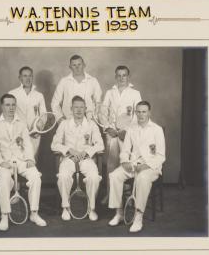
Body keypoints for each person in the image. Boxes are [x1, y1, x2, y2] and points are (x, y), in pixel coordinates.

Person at [0, 93, 47, 231]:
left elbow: (27, 144)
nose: (11, 108)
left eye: (13, 105)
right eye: (7, 105)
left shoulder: (21, 124)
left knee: (36, 177)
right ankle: (5, 215)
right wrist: (1, 162)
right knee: (4, 179)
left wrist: (30, 159)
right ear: (2, 106)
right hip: (4, 162)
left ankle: (34, 213)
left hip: (20, 160)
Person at [108, 101, 165, 233]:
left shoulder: (157, 130)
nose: (141, 114)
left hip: (151, 167)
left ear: (149, 112)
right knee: (115, 176)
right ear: (135, 113)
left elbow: (161, 156)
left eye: (144, 111)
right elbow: (125, 151)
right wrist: (124, 162)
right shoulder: (131, 129)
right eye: (138, 111)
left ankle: (138, 217)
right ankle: (119, 213)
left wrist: (146, 166)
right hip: (133, 165)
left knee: (142, 179)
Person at [51, 95, 104, 221]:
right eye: (76, 107)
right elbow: (54, 144)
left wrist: (86, 152)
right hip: (68, 159)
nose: (79, 110)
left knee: (94, 177)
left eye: (81, 107)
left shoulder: (91, 124)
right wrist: (69, 150)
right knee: (63, 176)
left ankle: (91, 208)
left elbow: (100, 144)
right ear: (71, 109)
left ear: (85, 108)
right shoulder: (64, 124)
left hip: (86, 159)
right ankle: (65, 207)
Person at [101, 65, 142, 204]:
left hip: (127, 134)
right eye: (118, 75)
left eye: (124, 75)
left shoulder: (135, 93)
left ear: (128, 77)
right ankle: (110, 195)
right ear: (115, 77)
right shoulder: (109, 93)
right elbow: (102, 113)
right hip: (112, 133)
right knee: (111, 165)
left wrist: (128, 131)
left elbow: (138, 115)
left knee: (126, 163)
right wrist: (107, 128)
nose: (121, 78)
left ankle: (129, 196)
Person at [8, 66, 47, 159]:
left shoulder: (39, 95)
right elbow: (8, 114)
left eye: (30, 76)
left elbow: (43, 115)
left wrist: (38, 128)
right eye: (25, 76)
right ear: (20, 78)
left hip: (34, 134)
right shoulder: (12, 94)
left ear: (32, 77)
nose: (28, 78)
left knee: (32, 161)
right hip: (17, 133)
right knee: (17, 161)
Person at [51, 54, 102, 122]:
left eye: (79, 64)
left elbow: (98, 102)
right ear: (70, 67)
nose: (77, 67)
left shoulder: (93, 81)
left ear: (84, 65)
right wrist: (60, 119)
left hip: (89, 121)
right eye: (74, 65)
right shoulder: (64, 81)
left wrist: (94, 117)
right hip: (68, 120)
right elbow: (55, 103)